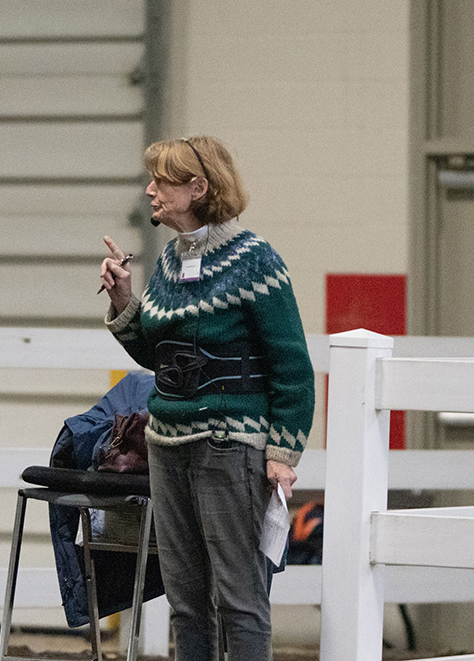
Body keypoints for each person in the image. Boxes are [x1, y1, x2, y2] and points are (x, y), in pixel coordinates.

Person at [99, 136, 314, 660]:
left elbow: (292, 364)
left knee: (240, 598)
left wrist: (284, 454)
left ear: (198, 187)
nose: (150, 190)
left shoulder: (256, 261)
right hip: (167, 445)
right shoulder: (171, 260)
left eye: (163, 181)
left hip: (229, 447)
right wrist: (125, 300)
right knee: (186, 601)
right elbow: (160, 359)